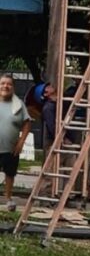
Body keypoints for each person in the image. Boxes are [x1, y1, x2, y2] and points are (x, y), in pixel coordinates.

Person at [40, 83, 78, 199]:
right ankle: (46, 197)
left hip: (68, 143)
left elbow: (73, 93)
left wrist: (77, 84)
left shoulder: (61, 102)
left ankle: (69, 196)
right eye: (48, 87)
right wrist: (62, 138)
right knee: (51, 173)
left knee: (70, 171)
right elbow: (52, 126)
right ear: (46, 93)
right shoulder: (48, 108)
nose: (52, 86)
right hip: (55, 143)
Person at [0, 74, 32, 211]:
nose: (5, 86)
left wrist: (21, 141)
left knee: (10, 174)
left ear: (13, 87)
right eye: (2, 83)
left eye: (9, 84)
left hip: (11, 148)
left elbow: (27, 123)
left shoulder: (18, 104)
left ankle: (8, 198)